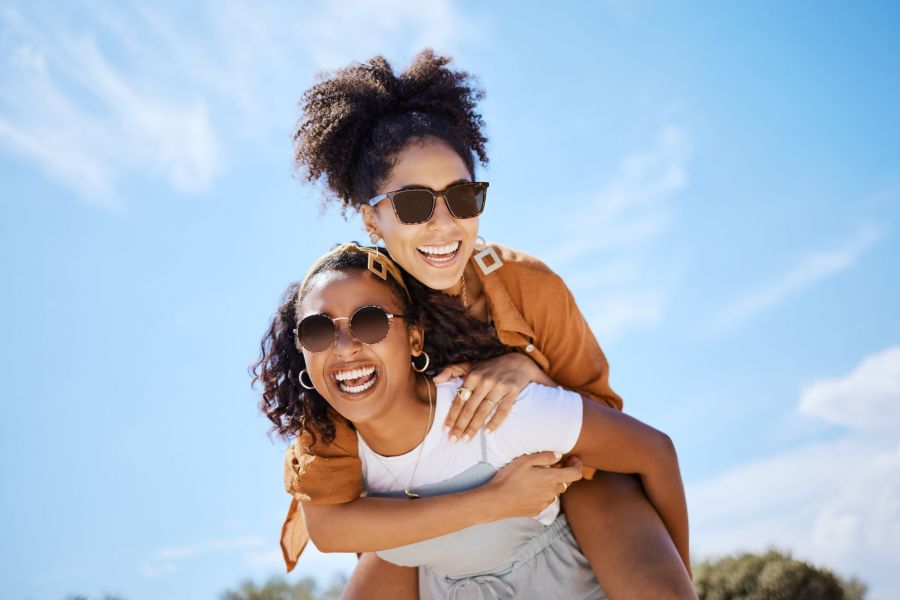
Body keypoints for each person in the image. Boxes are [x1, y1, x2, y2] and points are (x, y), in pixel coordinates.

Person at [285, 49, 696, 599]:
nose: (443, 225)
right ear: (371, 218)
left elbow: (608, 429)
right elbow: (335, 517)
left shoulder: (528, 286)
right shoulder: (355, 324)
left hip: (558, 478)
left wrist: (531, 370)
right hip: (426, 511)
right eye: (412, 205)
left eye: (462, 197)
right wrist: (488, 503)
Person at [254, 243, 690, 599]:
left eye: (370, 322)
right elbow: (328, 531)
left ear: (415, 337)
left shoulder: (494, 407)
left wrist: (680, 576)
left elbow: (654, 452)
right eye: (317, 330)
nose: (345, 346)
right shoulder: (328, 447)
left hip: (568, 573)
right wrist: (494, 500)